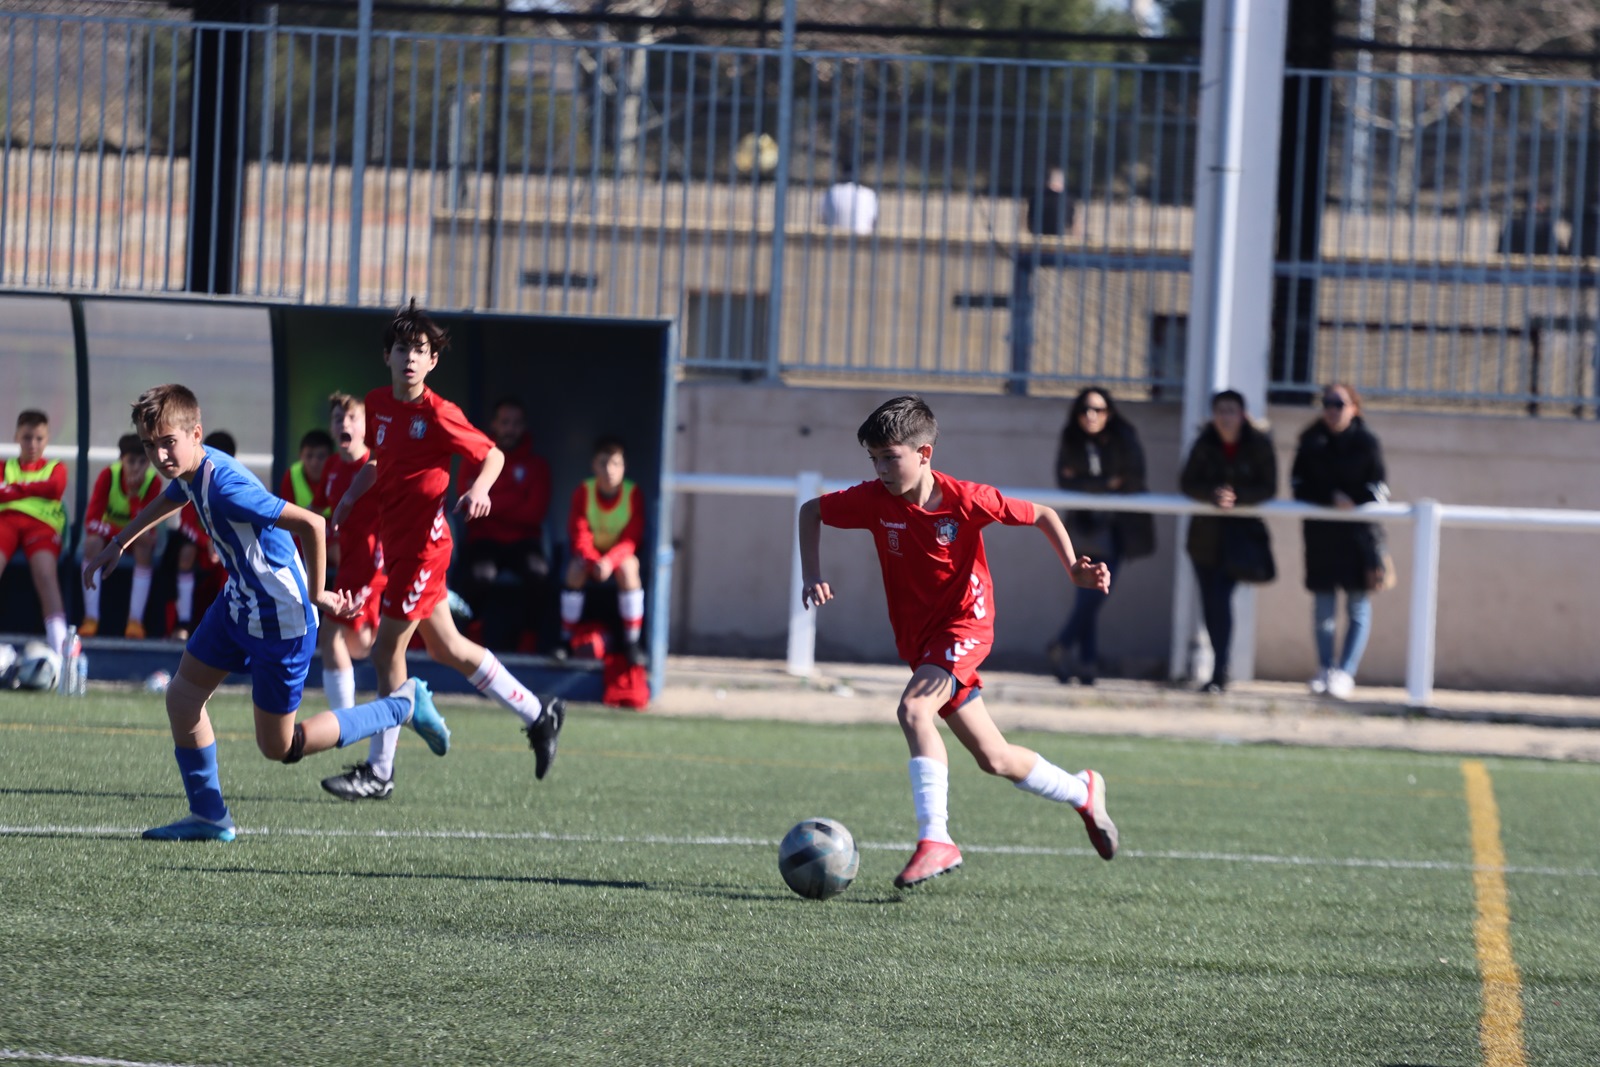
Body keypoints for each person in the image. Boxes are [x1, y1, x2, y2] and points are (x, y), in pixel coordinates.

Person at [82, 384, 452, 842]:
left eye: (167, 442)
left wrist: (319, 593)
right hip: (239, 602)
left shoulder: (227, 487)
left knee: (280, 746)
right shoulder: (193, 466)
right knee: (181, 698)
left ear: (195, 434)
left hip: (282, 617)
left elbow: (313, 523)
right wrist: (120, 542)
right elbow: (175, 494)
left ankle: (403, 704)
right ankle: (210, 816)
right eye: (148, 445)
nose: (158, 455)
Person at [797, 394, 1117, 889]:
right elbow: (810, 511)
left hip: (967, 625)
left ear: (924, 453)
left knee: (914, 711)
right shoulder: (873, 500)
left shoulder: (967, 499)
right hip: (921, 641)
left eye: (890, 457)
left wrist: (1073, 567)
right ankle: (1082, 791)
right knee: (995, 758)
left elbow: (1042, 514)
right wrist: (811, 574)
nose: (880, 469)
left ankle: (936, 839)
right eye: (873, 458)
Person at [329, 300, 565, 791]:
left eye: (420, 351)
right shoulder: (377, 403)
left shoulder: (439, 413)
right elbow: (380, 460)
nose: (410, 358)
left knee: (386, 652)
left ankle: (379, 771)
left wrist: (479, 489)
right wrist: (351, 497)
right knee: (446, 647)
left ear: (433, 361)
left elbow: (493, 455)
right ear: (387, 356)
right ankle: (538, 713)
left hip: (423, 551)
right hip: (399, 546)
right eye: (402, 349)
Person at [1047, 388, 1155, 685]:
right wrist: (1106, 483)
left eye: (1098, 409)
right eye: (1085, 409)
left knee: (1095, 592)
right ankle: (1087, 663)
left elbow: (1132, 480)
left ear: (1109, 413)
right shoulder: (1071, 437)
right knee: (1088, 593)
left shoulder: (1124, 437)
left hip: (1117, 527)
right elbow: (1064, 481)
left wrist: (1087, 483)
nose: (1090, 416)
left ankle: (1062, 644)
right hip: (1083, 526)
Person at [1291, 383, 1389, 701]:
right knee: (1323, 608)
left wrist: (1353, 501)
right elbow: (1298, 485)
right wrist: (1329, 498)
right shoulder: (1310, 441)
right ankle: (1325, 668)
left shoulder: (1367, 442)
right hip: (1321, 535)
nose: (1332, 410)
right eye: (1327, 403)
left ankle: (1345, 672)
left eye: (1339, 403)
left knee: (1358, 605)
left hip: (1359, 537)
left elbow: (1379, 488)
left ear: (1354, 408)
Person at [315, 393, 391, 800]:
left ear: (367, 427)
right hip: (347, 569)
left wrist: (379, 567)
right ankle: (349, 721)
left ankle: (355, 721)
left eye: (352, 417)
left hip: (375, 570)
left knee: (353, 643)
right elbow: (327, 516)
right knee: (341, 640)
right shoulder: (332, 467)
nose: (344, 423)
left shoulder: (374, 467)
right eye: (338, 417)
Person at [1179, 389, 1279, 694]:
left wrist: (1238, 497)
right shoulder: (1204, 443)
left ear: (1242, 415)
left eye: (1231, 410)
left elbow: (1269, 486)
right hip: (1204, 538)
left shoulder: (1258, 444)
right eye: (1220, 410)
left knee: (1221, 601)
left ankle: (1220, 669)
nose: (1225, 417)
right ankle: (1219, 668)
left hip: (1240, 538)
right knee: (1210, 604)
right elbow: (1187, 482)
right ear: (1213, 415)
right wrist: (1212, 494)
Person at [458, 397, 552, 653]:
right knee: (480, 575)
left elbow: (534, 514)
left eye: (516, 423)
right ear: (494, 424)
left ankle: (529, 640)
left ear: (524, 426)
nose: (510, 429)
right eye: (505, 422)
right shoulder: (474, 460)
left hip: (524, 541)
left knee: (538, 573)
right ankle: (473, 634)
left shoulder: (537, 466)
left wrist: (489, 501)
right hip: (483, 539)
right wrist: (517, 497)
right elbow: (467, 505)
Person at [560, 435, 647, 666]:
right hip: (591, 557)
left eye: (616, 463)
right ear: (594, 466)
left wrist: (609, 561)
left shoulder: (633, 493)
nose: (610, 470)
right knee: (575, 569)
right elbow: (579, 533)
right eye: (603, 463)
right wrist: (593, 560)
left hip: (617, 558)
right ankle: (565, 641)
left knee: (629, 569)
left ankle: (632, 643)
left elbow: (631, 539)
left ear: (624, 467)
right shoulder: (583, 491)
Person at [80, 433, 164, 638]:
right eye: (131, 461)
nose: (136, 467)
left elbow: (147, 528)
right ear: (121, 460)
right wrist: (119, 535)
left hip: (133, 540)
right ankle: (91, 618)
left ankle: (135, 622)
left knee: (144, 547)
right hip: (111, 537)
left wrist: (134, 498)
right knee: (91, 543)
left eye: (142, 462)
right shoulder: (108, 476)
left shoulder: (153, 482)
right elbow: (91, 521)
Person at [1, 409, 69, 654]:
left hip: (41, 525)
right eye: (27, 437)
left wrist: (14, 489)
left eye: (39, 438)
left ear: (47, 439)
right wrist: (34, 488)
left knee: (45, 575)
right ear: (16, 437)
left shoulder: (56, 467)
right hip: (6, 522)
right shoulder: (4, 466)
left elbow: (55, 487)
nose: (32, 444)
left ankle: (61, 650)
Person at [167, 430, 236, 639]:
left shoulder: (236, 485)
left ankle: (228, 623)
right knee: (185, 552)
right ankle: (183, 623)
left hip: (224, 550)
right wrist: (207, 541)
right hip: (202, 550)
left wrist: (220, 543)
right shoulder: (193, 481)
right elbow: (186, 524)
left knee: (233, 560)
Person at [278, 429, 334, 517]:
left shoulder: (339, 474)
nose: (314, 463)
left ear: (331, 458)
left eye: (321, 456)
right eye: (309, 456)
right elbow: (286, 517)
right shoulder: (292, 475)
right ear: (300, 456)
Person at [819, 165, 878, 235]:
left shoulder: (830, 192)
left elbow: (822, 220)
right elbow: (874, 223)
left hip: (835, 238)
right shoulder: (869, 194)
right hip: (862, 238)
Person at [1024, 166, 1077, 237]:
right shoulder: (1068, 200)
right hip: (1060, 237)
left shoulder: (1035, 198)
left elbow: (1030, 222)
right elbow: (1070, 223)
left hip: (1039, 236)